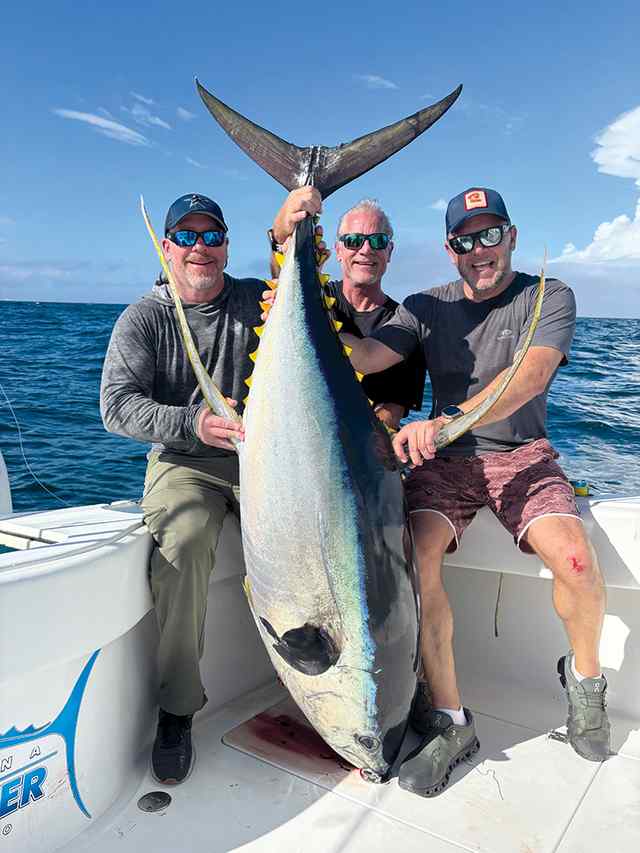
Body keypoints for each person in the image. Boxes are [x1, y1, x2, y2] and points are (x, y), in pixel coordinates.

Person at [331, 186, 610, 796]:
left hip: (522, 455)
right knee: (415, 555)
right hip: (449, 465)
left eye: (491, 234)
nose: (480, 249)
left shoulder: (548, 295)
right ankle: (452, 721)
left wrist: (444, 419)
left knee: (577, 560)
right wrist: (291, 289)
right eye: (466, 239)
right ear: (450, 249)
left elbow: (530, 376)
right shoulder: (425, 305)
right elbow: (370, 354)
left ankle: (586, 687)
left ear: (510, 236)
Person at [101, 192, 273, 785]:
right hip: (186, 462)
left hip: (264, 460)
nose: (201, 248)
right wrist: (190, 423)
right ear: (167, 246)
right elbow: (115, 407)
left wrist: (297, 218)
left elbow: (299, 272)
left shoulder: (258, 299)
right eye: (189, 236)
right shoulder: (143, 318)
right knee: (186, 540)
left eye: (213, 236)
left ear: (226, 244)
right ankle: (176, 711)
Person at [270, 190, 426, 430]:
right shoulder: (317, 296)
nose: (366, 250)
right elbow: (280, 286)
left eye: (378, 241)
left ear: (390, 251)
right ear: (338, 251)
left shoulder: (405, 322)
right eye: (353, 241)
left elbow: (391, 411)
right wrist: (281, 233)